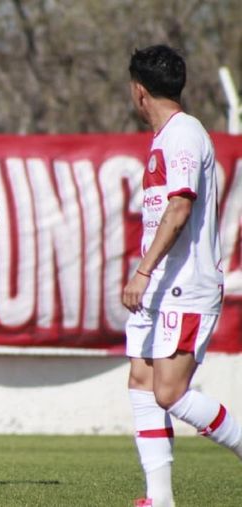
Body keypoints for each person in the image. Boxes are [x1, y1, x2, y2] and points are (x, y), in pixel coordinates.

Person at [122, 45, 242, 507]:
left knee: (169, 392)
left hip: (183, 285)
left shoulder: (184, 134)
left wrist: (142, 270)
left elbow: (179, 206)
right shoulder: (166, 136)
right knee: (140, 380)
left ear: (139, 91)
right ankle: (159, 498)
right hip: (160, 287)